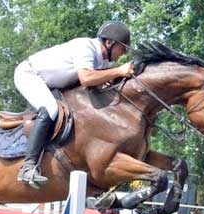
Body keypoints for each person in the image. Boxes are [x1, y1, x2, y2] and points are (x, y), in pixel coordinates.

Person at [14, 20, 135, 189]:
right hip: (30, 75)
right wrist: (119, 71)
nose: (122, 54)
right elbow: (86, 79)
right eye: (122, 48)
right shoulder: (86, 47)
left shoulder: (104, 62)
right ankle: (28, 167)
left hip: (54, 85)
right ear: (109, 42)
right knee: (51, 109)